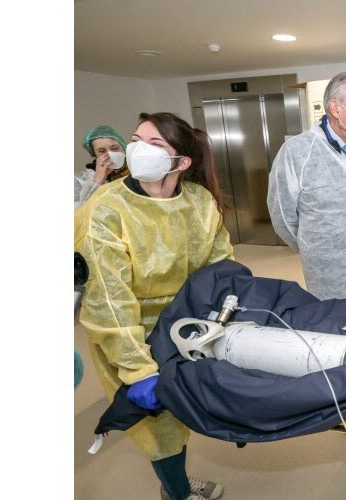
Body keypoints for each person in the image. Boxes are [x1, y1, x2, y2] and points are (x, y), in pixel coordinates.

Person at [75, 112, 233, 500]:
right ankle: (178, 492)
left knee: (182, 417)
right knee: (159, 427)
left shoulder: (198, 202)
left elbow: (220, 267)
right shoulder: (105, 210)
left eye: (154, 144)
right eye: (135, 139)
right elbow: (107, 302)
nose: (136, 150)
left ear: (182, 163)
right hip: (130, 334)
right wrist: (137, 368)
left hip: (187, 327)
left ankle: (174, 481)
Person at [267, 72, 346, 300]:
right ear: (335, 108)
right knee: (337, 329)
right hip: (331, 274)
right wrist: (318, 246)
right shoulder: (298, 152)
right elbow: (283, 217)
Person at [76, 125, 128, 209]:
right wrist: (98, 181)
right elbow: (80, 214)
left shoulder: (136, 173)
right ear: (94, 154)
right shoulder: (81, 180)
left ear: (123, 147)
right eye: (102, 151)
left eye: (115, 148)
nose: (110, 154)